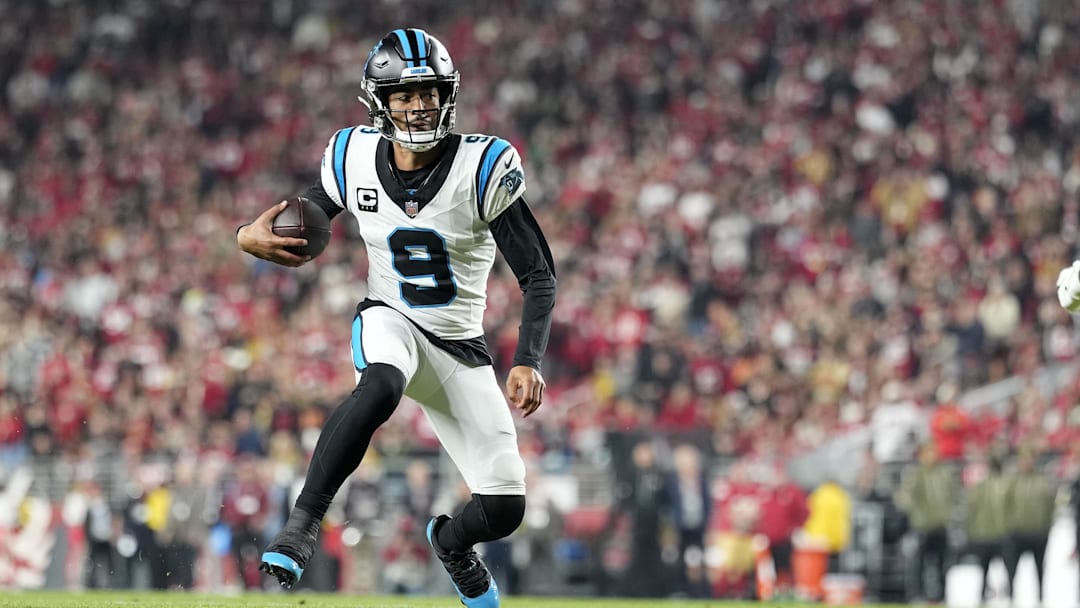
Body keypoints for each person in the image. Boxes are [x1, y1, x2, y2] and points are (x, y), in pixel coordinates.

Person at [235, 27, 556, 608]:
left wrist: (528, 359)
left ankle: (451, 545)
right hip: (392, 319)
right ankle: (302, 526)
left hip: (460, 348)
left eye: (429, 92)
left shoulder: (482, 166)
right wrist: (247, 235)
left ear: (447, 94)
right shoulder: (353, 155)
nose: (419, 105)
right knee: (381, 383)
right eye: (404, 95)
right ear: (379, 101)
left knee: (505, 506)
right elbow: (304, 214)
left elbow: (537, 274)